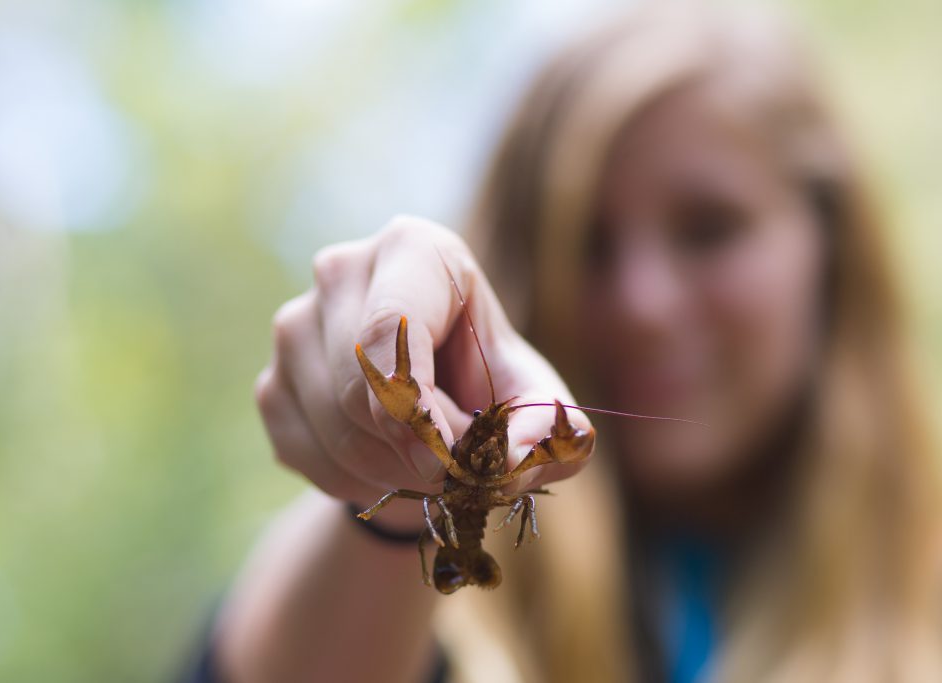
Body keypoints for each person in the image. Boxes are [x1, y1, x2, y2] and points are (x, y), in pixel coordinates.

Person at [208, 3, 942, 682]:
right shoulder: (456, 602)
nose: (644, 305)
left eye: (710, 227)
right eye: (586, 244)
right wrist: (378, 455)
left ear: (831, 251)